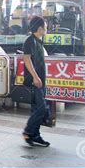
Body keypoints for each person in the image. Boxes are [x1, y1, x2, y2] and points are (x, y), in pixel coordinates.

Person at [22, 16, 51, 147]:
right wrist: (35, 76)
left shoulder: (39, 41)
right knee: (41, 108)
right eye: (46, 26)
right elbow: (27, 59)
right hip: (35, 81)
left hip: (40, 80)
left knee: (37, 109)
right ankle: (28, 131)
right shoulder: (30, 41)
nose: (47, 29)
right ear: (40, 28)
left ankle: (35, 135)